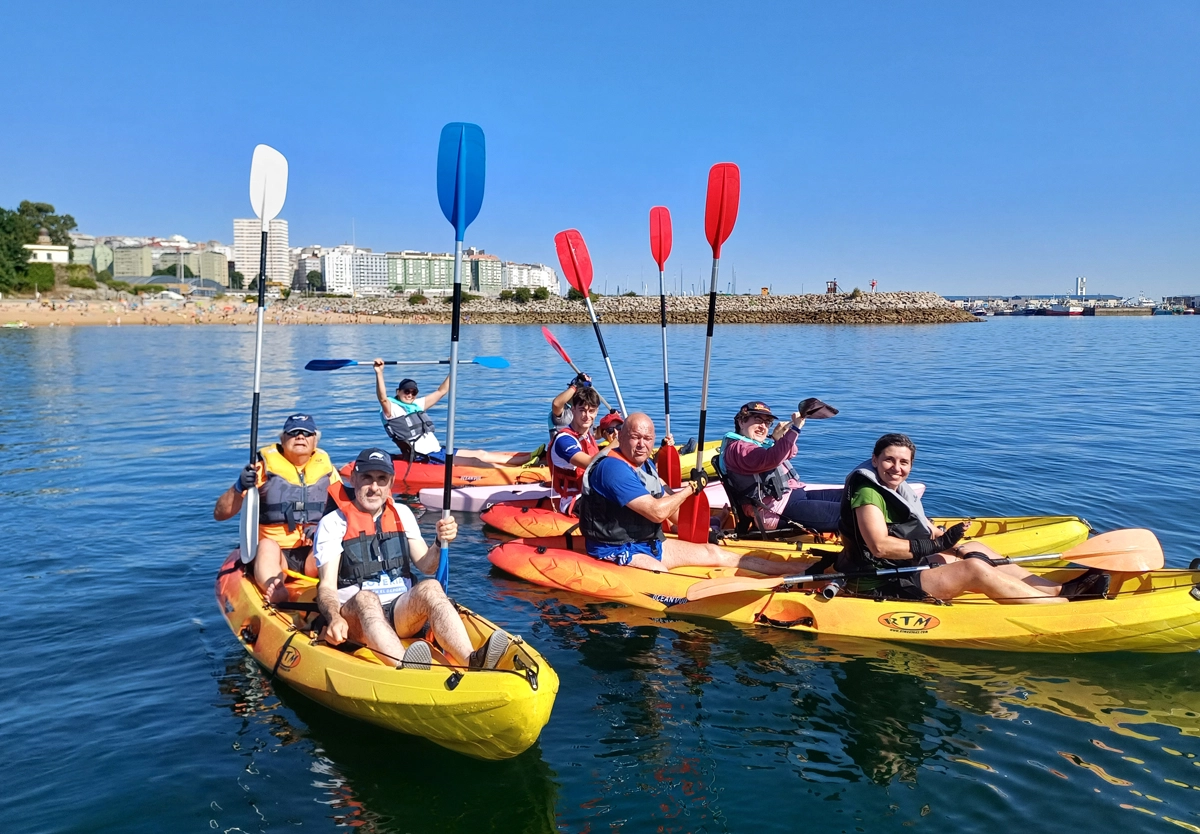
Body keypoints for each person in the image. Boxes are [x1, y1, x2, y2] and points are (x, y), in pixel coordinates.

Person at [837, 433, 1109, 604]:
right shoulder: (868, 494)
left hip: (906, 566)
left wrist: (953, 545)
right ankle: (1059, 607)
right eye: (889, 460)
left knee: (976, 550)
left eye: (903, 462)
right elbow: (880, 547)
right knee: (974, 569)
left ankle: (1057, 590)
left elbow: (927, 530)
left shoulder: (897, 489)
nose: (896, 468)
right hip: (880, 580)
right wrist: (937, 546)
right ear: (875, 460)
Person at [313, 447, 512, 670]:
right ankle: (406, 667)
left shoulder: (402, 513)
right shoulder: (333, 523)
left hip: (399, 611)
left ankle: (471, 659)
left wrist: (439, 542)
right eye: (367, 478)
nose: (374, 487)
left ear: (391, 482)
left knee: (431, 586)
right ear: (354, 479)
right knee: (365, 599)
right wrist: (334, 617)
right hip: (355, 618)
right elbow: (327, 587)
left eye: (382, 479)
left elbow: (427, 565)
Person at [576, 413, 799, 575]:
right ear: (622, 437)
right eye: (635, 437)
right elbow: (656, 512)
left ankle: (799, 569)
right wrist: (691, 488)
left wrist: (708, 530)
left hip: (648, 543)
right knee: (658, 572)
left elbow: (672, 510)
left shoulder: (645, 464)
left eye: (647, 439)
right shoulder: (612, 468)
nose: (642, 444)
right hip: (614, 548)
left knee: (713, 553)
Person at [213, 414, 339, 602]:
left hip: (312, 553)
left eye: (307, 433)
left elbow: (344, 511)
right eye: (294, 432)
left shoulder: (328, 472)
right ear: (282, 438)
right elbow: (220, 514)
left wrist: (320, 531)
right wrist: (239, 487)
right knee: (267, 546)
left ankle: (331, 587)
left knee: (332, 542)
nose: (300, 436)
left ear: (315, 440)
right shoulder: (260, 470)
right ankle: (275, 587)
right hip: (277, 555)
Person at [373, 359, 535, 467]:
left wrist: (453, 368)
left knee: (481, 453)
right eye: (406, 391)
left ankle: (527, 460)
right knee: (475, 461)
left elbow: (442, 391)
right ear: (398, 391)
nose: (410, 394)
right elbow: (382, 398)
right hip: (425, 456)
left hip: (438, 450)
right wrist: (379, 373)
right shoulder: (392, 409)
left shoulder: (416, 404)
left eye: (413, 392)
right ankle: (514, 473)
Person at [717, 400, 842, 533]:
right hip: (776, 511)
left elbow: (791, 452)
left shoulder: (756, 445)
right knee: (848, 514)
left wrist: (778, 438)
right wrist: (795, 428)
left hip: (793, 497)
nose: (763, 427)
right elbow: (773, 458)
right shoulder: (739, 448)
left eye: (767, 423)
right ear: (741, 422)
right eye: (758, 420)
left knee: (849, 496)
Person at [549, 386, 602, 513]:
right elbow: (590, 463)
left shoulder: (588, 436)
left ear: (596, 412)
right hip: (573, 500)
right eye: (582, 410)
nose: (587, 416)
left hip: (592, 493)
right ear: (573, 409)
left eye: (591, 411)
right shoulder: (564, 440)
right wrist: (618, 443)